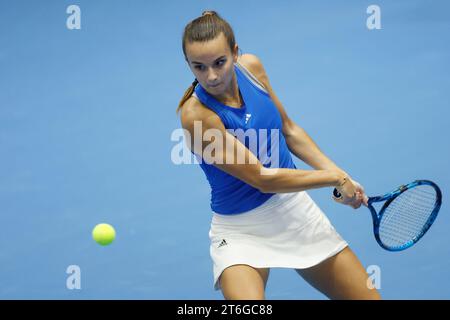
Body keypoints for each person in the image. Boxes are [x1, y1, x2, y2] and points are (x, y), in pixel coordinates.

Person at [177, 10, 381, 300]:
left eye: (219, 63)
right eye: (199, 67)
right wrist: (334, 177)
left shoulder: (252, 68)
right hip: (240, 230)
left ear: (235, 54)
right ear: (188, 65)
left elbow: (289, 130)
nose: (211, 76)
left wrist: (342, 176)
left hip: (293, 211)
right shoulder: (196, 116)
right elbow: (262, 179)